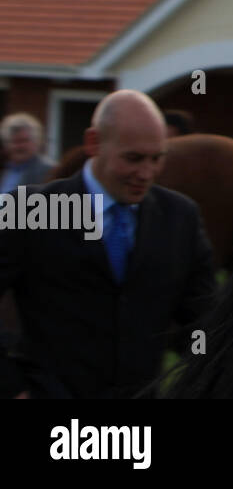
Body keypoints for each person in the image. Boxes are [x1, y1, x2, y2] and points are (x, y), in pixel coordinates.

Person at [0, 90, 215, 398]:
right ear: (93, 143)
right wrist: (13, 387)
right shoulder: (33, 209)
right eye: (133, 158)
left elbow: (201, 322)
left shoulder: (180, 217)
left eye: (157, 159)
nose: (146, 173)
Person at [0, 114, 53, 194]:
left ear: (37, 141)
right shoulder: (5, 169)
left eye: (24, 140)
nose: (20, 146)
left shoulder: (49, 171)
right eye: (15, 141)